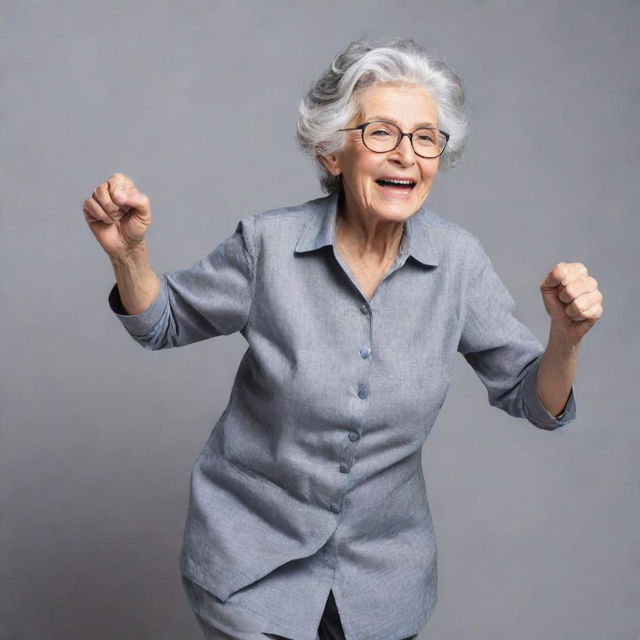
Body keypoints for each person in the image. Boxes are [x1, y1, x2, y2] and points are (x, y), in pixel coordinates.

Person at [83, 38, 603, 640]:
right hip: (251, 568)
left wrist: (565, 338)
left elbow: (533, 398)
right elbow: (163, 321)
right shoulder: (268, 247)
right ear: (333, 152)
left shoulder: (458, 263)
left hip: (382, 582)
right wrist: (130, 256)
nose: (406, 155)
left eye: (425, 138)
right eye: (381, 133)